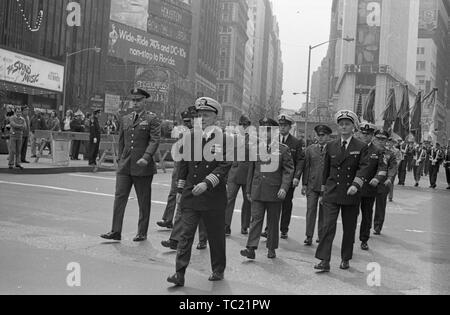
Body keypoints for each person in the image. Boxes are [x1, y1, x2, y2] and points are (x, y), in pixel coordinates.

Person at [167, 97, 232, 287]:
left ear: (215, 117)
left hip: (212, 196)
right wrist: (180, 189)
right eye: (199, 115)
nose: (202, 118)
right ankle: (179, 273)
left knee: (215, 236)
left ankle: (218, 269)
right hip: (191, 195)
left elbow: (224, 166)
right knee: (186, 235)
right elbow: (184, 166)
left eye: (206, 115)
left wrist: (206, 183)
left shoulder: (223, 138)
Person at [101, 88, 161, 243]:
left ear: (144, 101)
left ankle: (142, 232)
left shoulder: (152, 119)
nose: (135, 103)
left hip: (143, 166)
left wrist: (146, 157)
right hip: (125, 165)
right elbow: (121, 140)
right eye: (133, 100)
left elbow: (154, 140)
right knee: (119, 197)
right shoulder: (125, 118)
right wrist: (121, 159)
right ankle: (115, 231)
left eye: (138, 100)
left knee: (143, 200)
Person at [314, 110, 370, 273]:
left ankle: (345, 258)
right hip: (332, 192)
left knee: (349, 228)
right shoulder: (331, 145)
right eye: (341, 124)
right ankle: (324, 260)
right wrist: (323, 192)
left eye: (347, 124)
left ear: (353, 127)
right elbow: (326, 171)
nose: (344, 127)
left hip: (350, 193)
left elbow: (364, 168)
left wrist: (356, 184)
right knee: (327, 226)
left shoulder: (361, 146)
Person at [240, 118, 294, 260]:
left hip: (274, 191)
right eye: (263, 130)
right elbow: (251, 170)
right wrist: (249, 189)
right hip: (258, 190)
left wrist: (284, 187)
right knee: (255, 219)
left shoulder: (283, 149)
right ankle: (251, 248)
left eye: (268, 130)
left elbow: (288, 170)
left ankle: (271, 248)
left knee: (272, 221)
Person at [158, 110, 194, 229]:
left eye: (189, 121)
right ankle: (168, 219)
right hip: (178, 164)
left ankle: (185, 222)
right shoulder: (181, 132)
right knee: (173, 192)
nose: (187, 124)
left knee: (184, 194)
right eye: (185, 121)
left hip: (190, 167)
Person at [357, 122, 388, 251]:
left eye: (368, 134)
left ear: (372, 136)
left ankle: (364, 239)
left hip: (369, 188)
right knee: (351, 215)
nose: (365, 136)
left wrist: (377, 178)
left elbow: (382, 168)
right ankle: (348, 237)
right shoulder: (354, 147)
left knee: (367, 215)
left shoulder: (378, 151)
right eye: (363, 133)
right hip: (353, 188)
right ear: (360, 133)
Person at [273, 114, 304, 240]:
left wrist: (297, 177)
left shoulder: (296, 142)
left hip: (289, 179)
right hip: (274, 178)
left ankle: (284, 229)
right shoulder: (273, 140)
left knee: (286, 204)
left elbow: (300, 160)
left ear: (290, 127)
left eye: (285, 125)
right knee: (272, 204)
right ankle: (270, 228)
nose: (282, 128)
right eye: (280, 125)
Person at [302, 124, 332, 246]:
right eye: (318, 135)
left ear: (328, 136)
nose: (320, 137)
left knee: (324, 213)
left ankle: (321, 235)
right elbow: (306, 167)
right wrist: (304, 184)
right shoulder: (310, 149)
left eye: (323, 135)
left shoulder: (332, 149)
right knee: (310, 211)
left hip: (326, 186)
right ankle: (309, 236)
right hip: (312, 185)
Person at [224, 115, 252, 236]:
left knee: (247, 201)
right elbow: (226, 156)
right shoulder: (232, 139)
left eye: (245, 125)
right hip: (233, 173)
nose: (243, 127)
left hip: (247, 174)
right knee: (229, 200)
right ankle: (226, 226)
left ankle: (245, 226)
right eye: (241, 125)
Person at [373, 130, 398, 236]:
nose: (380, 141)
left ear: (386, 141)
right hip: (369, 183)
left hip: (383, 183)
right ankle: (366, 225)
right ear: (374, 138)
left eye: (382, 139)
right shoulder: (368, 151)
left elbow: (393, 167)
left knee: (380, 206)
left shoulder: (390, 154)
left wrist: (390, 178)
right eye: (378, 138)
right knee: (367, 206)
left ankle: (377, 227)